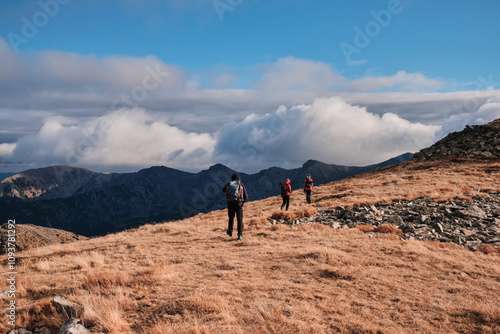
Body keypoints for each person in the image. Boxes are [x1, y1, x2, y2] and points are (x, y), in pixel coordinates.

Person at [222, 173, 248, 240]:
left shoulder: (229, 184)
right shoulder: (240, 184)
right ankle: (240, 234)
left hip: (230, 203)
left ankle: (230, 231)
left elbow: (223, 190)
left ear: (232, 178)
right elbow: (246, 196)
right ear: (238, 178)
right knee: (239, 219)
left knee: (231, 218)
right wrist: (242, 202)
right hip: (238, 203)